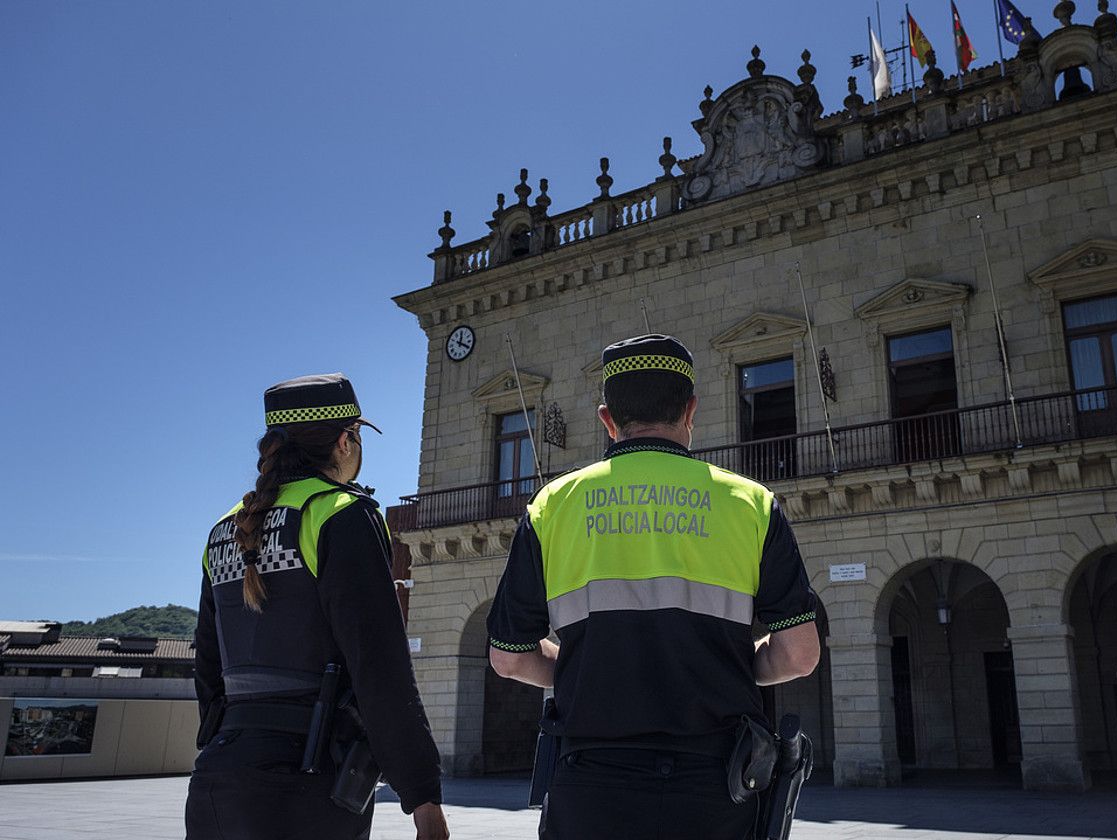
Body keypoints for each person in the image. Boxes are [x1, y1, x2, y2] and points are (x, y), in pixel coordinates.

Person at [488, 335, 822, 840]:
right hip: (716, 788)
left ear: (608, 418)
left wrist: (585, 667)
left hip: (590, 785)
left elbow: (509, 657)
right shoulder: (751, 503)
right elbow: (799, 655)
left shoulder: (551, 506)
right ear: (690, 410)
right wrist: (730, 662)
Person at [185, 373, 449, 840]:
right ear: (345, 441)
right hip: (307, 782)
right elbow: (379, 667)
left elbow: (208, 666)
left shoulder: (224, 528)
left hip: (219, 776)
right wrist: (422, 796)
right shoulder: (341, 514)